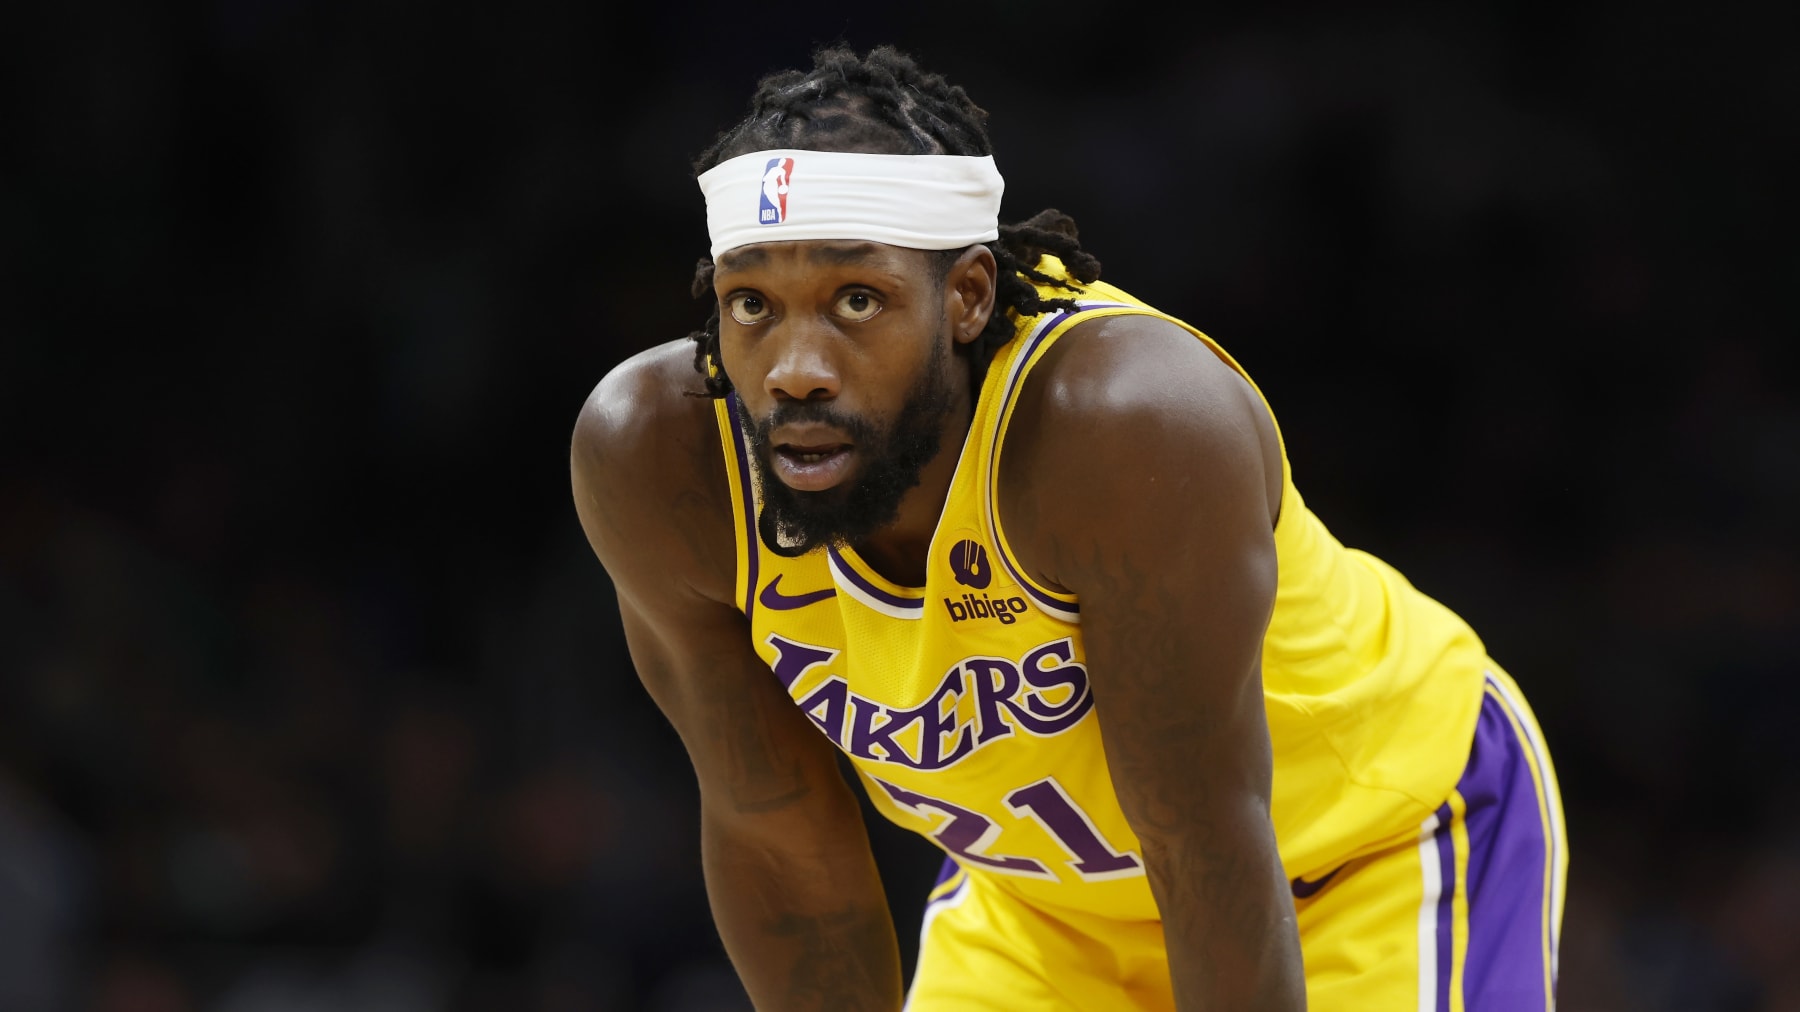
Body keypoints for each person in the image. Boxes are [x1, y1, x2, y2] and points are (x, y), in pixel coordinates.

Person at [570, 43, 1568, 1011]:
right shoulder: (664, 458)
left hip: (1361, 859)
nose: (795, 367)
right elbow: (780, 842)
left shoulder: (1124, 425)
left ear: (964, 297)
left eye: (856, 300)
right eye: (752, 304)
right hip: (1044, 911)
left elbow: (1204, 843)